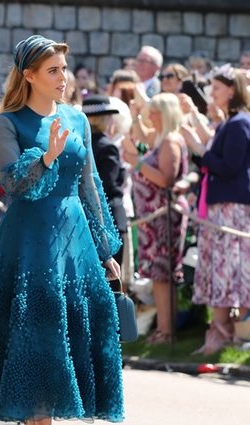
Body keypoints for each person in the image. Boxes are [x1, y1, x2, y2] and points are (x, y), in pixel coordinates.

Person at [0, 35, 124, 425]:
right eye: (53, 70)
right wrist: (46, 156)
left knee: (72, 348)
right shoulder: (7, 122)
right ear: (30, 76)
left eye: (64, 69)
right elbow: (13, 186)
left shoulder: (76, 119)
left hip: (76, 247)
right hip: (28, 246)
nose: (63, 77)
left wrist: (106, 249)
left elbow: (89, 185)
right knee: (35, 351)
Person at [190, 64, 250, 354]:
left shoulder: (239, 122)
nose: (212, 94)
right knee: (220, 268)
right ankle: (221, 329)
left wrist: (201, 151)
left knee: (229, 268)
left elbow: (230, 167)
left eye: (216, 88)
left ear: (232, 90)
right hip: (220, 206)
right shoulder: (230, 121)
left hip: (232, 207)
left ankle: (227, 330)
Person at [124, 92, 189, 344]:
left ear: (165, 114)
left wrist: (138, 164)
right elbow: (143, 135)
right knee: (159, 276)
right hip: (154, 218)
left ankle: (166, 331)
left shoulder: (171, 141)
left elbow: (165, 179)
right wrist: (136, 116)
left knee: (164, 275)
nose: (150, 116)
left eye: (154, 112)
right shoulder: (163, 139)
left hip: (164, 217)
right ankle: (163, 329)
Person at [82, 95, 128, 265]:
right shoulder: (107, 147)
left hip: (85, 214)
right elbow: (110, 184)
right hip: (109, 214)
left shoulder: (80, 144)